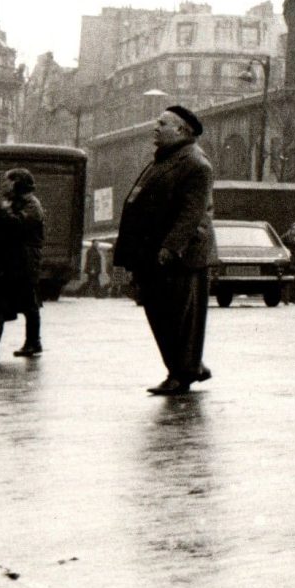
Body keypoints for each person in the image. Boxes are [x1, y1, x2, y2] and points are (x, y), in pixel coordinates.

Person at [114, 104, 216, 396]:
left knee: (176, 316)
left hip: (178, 257)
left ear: (182, 130)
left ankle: (180, 374)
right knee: (161, 313)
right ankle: (190, 365)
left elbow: (192, 214)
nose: (155, 127)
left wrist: (170, 249)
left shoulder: (196, 163)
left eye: (163, 123)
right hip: (152, 253)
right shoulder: (163, 160)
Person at [0, 167, 46, 363]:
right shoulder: (12, 203)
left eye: (8, 181)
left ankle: (33, 342)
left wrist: (6, 210)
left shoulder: (31, 204)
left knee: (29, 305)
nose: (4, 184)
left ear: (17, 182)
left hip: (24, 264)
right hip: (8, 264)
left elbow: (19, 225)